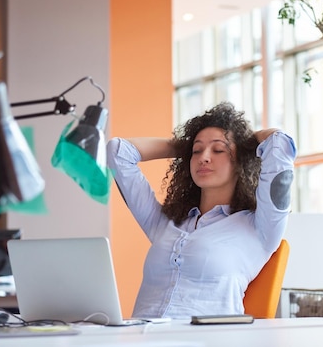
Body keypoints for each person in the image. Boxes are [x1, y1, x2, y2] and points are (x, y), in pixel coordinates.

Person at [106, 102, 297, 319]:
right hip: (142, 338)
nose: (204, 157)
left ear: (241, 161)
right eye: (197, 151)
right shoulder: (165, 224)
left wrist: (245, 144)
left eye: (218, 150)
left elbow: (280, 144)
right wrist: (185, 147)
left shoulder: (261, 227)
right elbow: (117, 152)